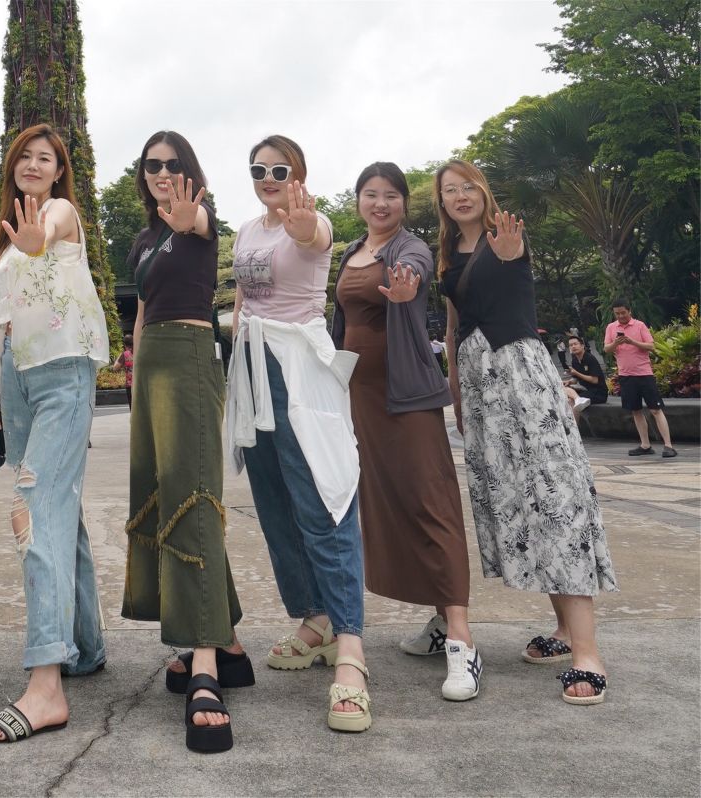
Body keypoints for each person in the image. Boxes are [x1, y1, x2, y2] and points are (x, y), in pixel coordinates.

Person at [437, 158, 617, 706]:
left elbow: (513, 262)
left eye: (468, 186)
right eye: (449, 190)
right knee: (521, 501)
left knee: (556, 499)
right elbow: (452, 330)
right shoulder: (448, 253)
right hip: (479, 388)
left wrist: (510, 250)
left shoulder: (506, 236)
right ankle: (562, 630)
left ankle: (588, 653)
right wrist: (458, 396)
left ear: (483, 191)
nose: (460, 195)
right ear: (442, 202)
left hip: (521, 376)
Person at [225, 135, 371, 734]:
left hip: (300, 372)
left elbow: (314, 239)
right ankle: (316, 619)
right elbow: (241, 302)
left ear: (299, 174)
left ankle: (351, 647)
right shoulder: (245, 230)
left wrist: (304, 225)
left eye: (279, 169)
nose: (268, 177)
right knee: (275, 504)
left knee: (323, 502)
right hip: (253, 369)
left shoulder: (314, 222)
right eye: (258, 169)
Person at [0, 123, 108, 744]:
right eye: (24, 156)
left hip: (61, 371)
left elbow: (48, 230)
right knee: (59, 512)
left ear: (59, 171)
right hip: (17, 378)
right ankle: (84, 647)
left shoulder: (59, 214)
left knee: (31, 506)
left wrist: (36, 239)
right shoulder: (6, 241)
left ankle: (46, 681)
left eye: (45, 158)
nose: (33, 164)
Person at [332, 162, 478, 702]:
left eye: (391, 195)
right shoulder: (351, 251)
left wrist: (404, 290)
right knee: (391, 503)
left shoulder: (409, 248)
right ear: (358, 200)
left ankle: (462, 638)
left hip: (407, 395)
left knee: (430, 501)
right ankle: (440, 620)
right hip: (361, 398)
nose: (381, 204)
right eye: (371, 194)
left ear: (404, 203)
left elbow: (412, 274)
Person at [122, 131, 241, 752]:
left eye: (173, 164)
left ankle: (205, 668)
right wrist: (134, 376)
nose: (162, 173)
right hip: (151, 364)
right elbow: (143, 310)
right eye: (152, 165)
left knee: (194, 498)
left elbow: (196, 223)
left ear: (190, 172)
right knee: (165, 493)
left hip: (193, 355)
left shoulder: (200, 219)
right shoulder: (143, 238)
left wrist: (187, 214)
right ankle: (229, 641)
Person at [606, 299, 676, 457]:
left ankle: (668, 445)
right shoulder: (611, 327)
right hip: (625, 376)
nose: (621, 316)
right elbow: (607, 349)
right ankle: (645, 445)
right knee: (636, 411)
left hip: (644, 374)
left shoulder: (639, 325)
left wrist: (632, 341)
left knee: (655, 409)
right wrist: (616, 343)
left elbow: (651, 346)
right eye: (617, 313)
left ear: (629, 311)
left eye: (623, 313)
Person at [565, 334, 607, 405]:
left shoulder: (590, 358)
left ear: (582, 346)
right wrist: (569, 382)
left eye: (575, 344)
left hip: (598, 392)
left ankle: (578, 399)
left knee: (571, 401)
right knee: (564, 390)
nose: (573, 346)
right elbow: (575, 379)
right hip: (586, 390)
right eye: (571, 345)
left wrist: (576, 373)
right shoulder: (574, 361)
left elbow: (595, 380)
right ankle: (578, 399)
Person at [112, 334, 134, 406]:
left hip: (130, 385)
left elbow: (115, 368)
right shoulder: (139, 351)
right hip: (140, 383)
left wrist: (120, 355)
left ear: (124, 344)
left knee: (132, 406)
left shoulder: (125, 354)